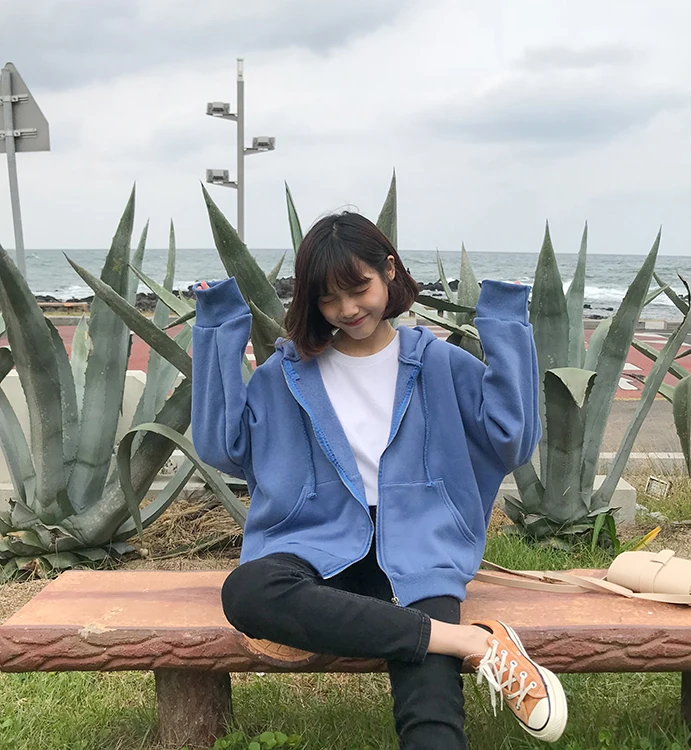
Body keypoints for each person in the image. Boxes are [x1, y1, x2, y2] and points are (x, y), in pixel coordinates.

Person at [191, 212, 567, 749]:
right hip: (318, 544)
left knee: (430, 711)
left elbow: (514, 440)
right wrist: (217, 326)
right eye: (327, 298)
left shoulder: (441, 364)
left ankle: (441, 642)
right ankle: (469, 641)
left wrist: (505, 320)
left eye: (358, 288)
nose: (347, 309)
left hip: (419, 546)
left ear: (389, 270)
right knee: (247, 591)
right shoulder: (288, 373)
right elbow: (220, 446)